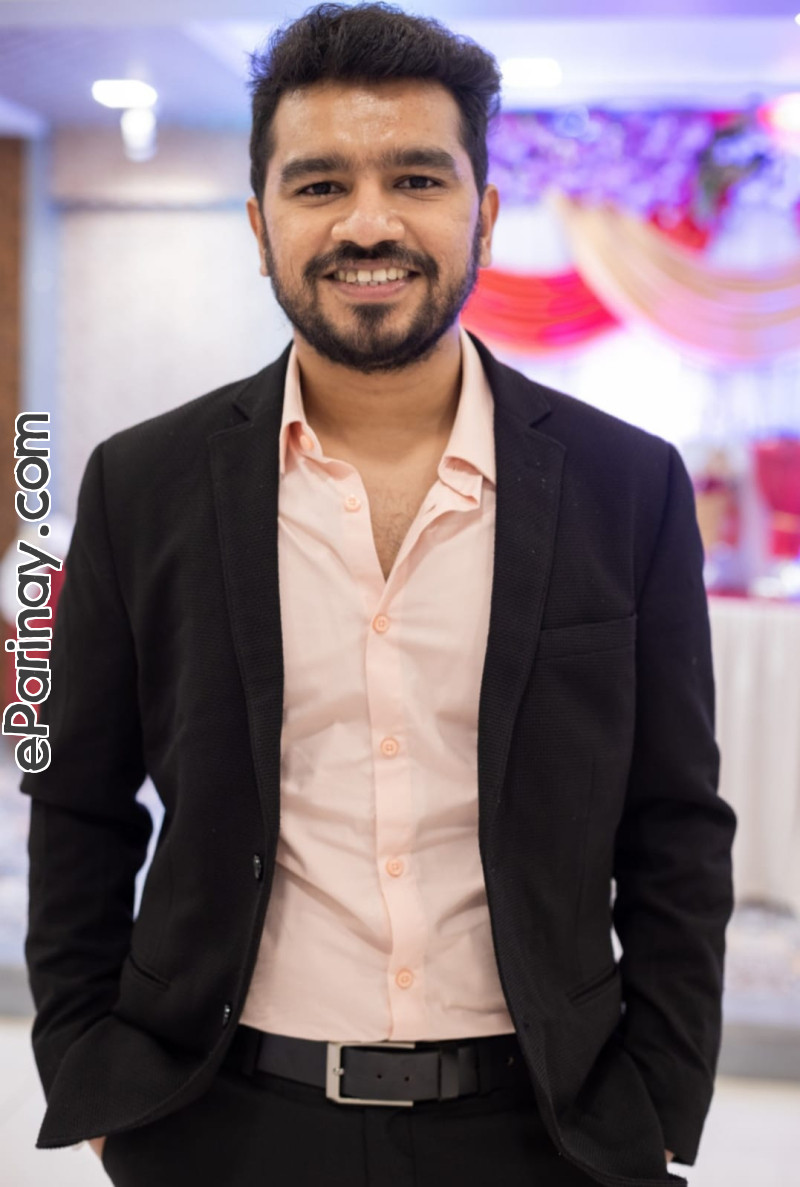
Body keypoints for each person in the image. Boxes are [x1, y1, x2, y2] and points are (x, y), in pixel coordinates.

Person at [21, 4, 737, 1185]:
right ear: (259, 224)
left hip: (544, 1127)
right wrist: (91, 1070)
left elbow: (674, 823)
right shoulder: (141, 483)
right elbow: (79, 801)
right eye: (318, 185)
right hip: (218, 1120)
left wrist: (661, 1092)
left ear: (483, 213)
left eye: (414, 178)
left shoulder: (624, 484)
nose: (367, 223)